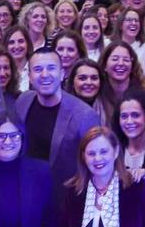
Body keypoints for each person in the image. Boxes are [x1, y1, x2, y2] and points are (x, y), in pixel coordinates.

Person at [14, 47, 99, 190]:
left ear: (61, 74)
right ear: (29, 76)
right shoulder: (23, 101)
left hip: (65, 198)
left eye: (51, 68)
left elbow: (95, 165)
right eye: (38, 69)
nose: (44, 74)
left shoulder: (85, 115)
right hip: (26, 192)